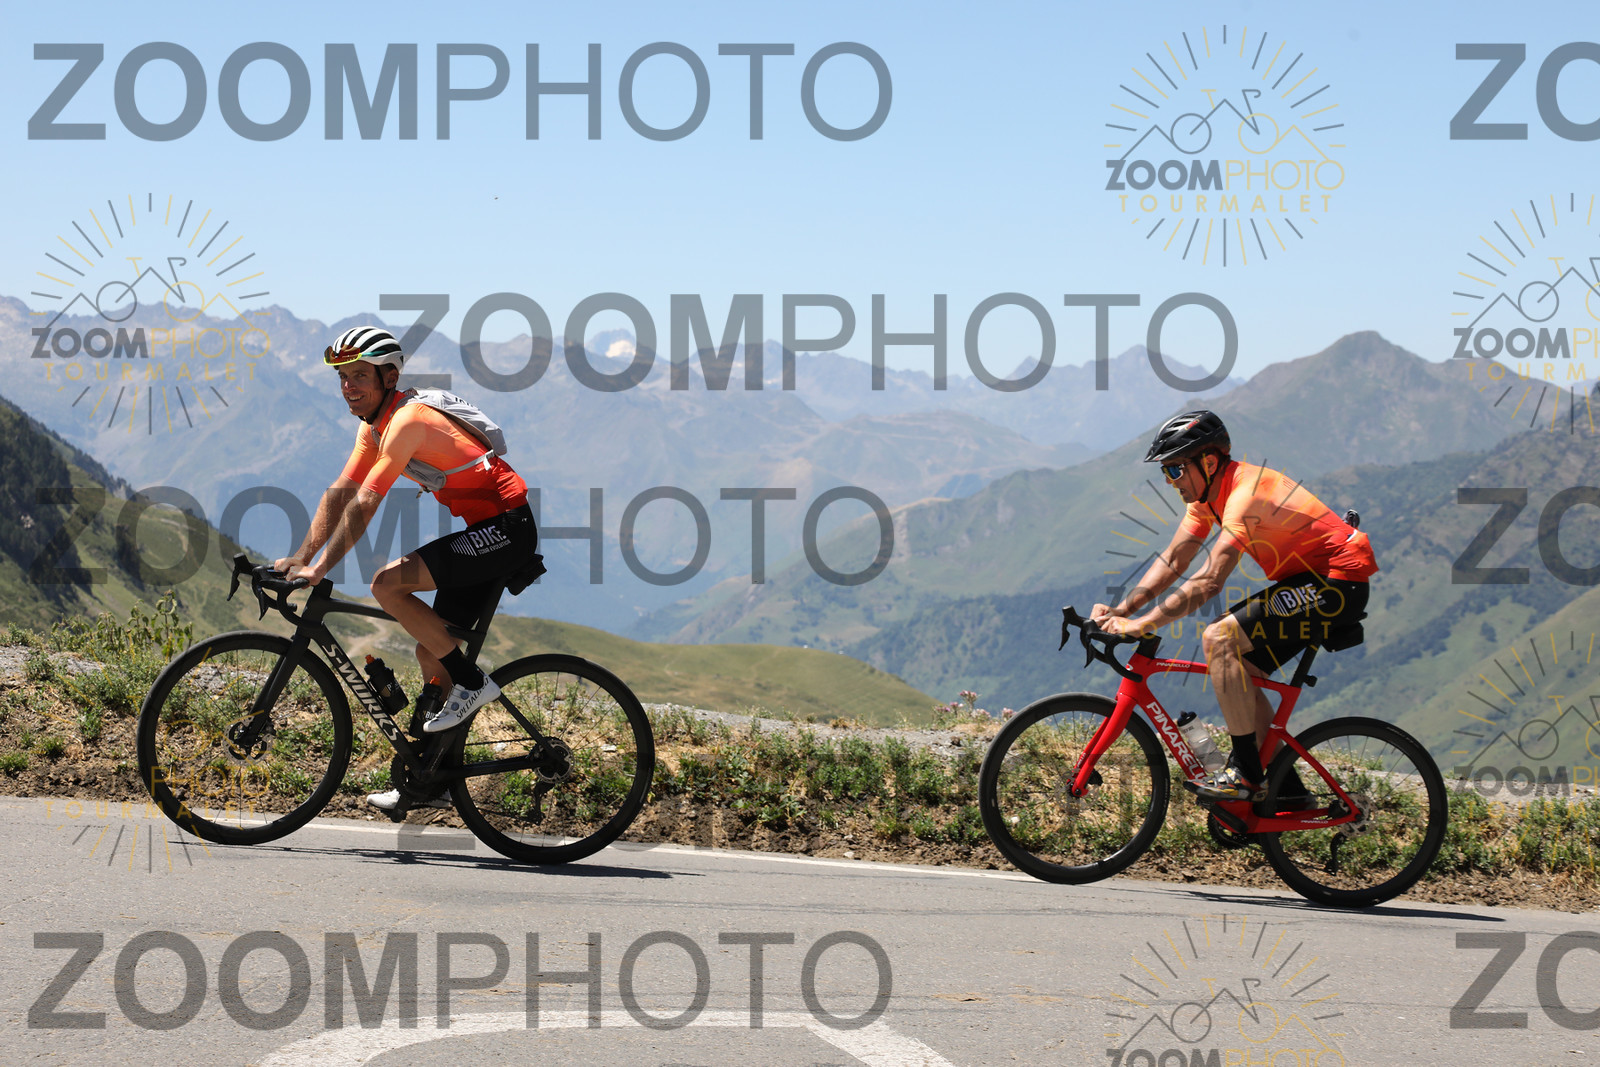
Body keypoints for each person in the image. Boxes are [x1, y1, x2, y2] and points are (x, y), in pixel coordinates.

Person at [273, 326, 539, 811]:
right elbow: (342, 492)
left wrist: (321, 568)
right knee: (431, 653)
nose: (348, 387)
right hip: (487, 529)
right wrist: (301, 557)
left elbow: (366, 502)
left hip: (506, 528)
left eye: (360, 376)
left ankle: (473, 684)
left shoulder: (407, 422)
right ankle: (431, 781)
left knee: (387, 585)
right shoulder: (374, 426)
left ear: (389, 377)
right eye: (343, 377)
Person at [1091, 410, 1377, 801]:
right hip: (1307, 580)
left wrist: (1145, 624)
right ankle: (1287, 793)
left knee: (1220, 638)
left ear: (1208, 463)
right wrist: (1123, 611)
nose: (1170, 481)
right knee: (1243, 672)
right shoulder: (1207, 497)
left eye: (1175, 469)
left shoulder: (1246, 494)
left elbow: (1209, 581)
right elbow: (1175, 559)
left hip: (1336, 582)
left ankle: (1245, 775)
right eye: (1165, 472)